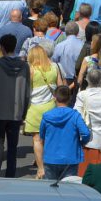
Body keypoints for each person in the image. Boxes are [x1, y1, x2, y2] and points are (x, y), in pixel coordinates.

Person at [0, 33, 30, 178]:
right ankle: (10, 177)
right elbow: (27, 93)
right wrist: (23, 113)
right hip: (16, 113)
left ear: (2, 48)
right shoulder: (24, 66)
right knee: (12, 149)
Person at [25, 44, 64, 179]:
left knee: (37, 139)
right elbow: (61, 88)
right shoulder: (54, 67)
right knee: (49, 139)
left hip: (34, 109)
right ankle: (49, 166)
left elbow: (25, 90)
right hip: (51, 107)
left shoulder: (31, 70)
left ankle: (40, 169)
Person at [40, 85, 90, 180]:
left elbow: (42, 136)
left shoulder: (47, 116)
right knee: (68, 190)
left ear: (55, 98)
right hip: (70, 158)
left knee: (49, 189)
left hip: (51, 157)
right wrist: (81, 143)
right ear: (70, 98)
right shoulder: (75, 115)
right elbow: (86, 133)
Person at [74, 67, 101, 175]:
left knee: (84, 175)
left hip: (86, 141)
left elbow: (77, 116)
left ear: (87, 80)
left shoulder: (82, 95)